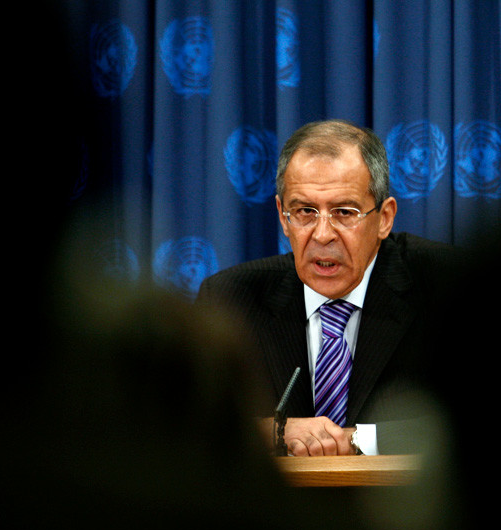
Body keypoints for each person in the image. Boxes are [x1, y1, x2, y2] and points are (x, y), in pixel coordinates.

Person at [196, 120, 460, 456]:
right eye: (305, 211)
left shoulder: (445, 284)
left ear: (384, 218)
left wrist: (354, 441)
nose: (322, 235)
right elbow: (181, 427)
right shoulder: (231, 298)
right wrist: (274, 432)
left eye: (344, 212)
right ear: (282, 215)